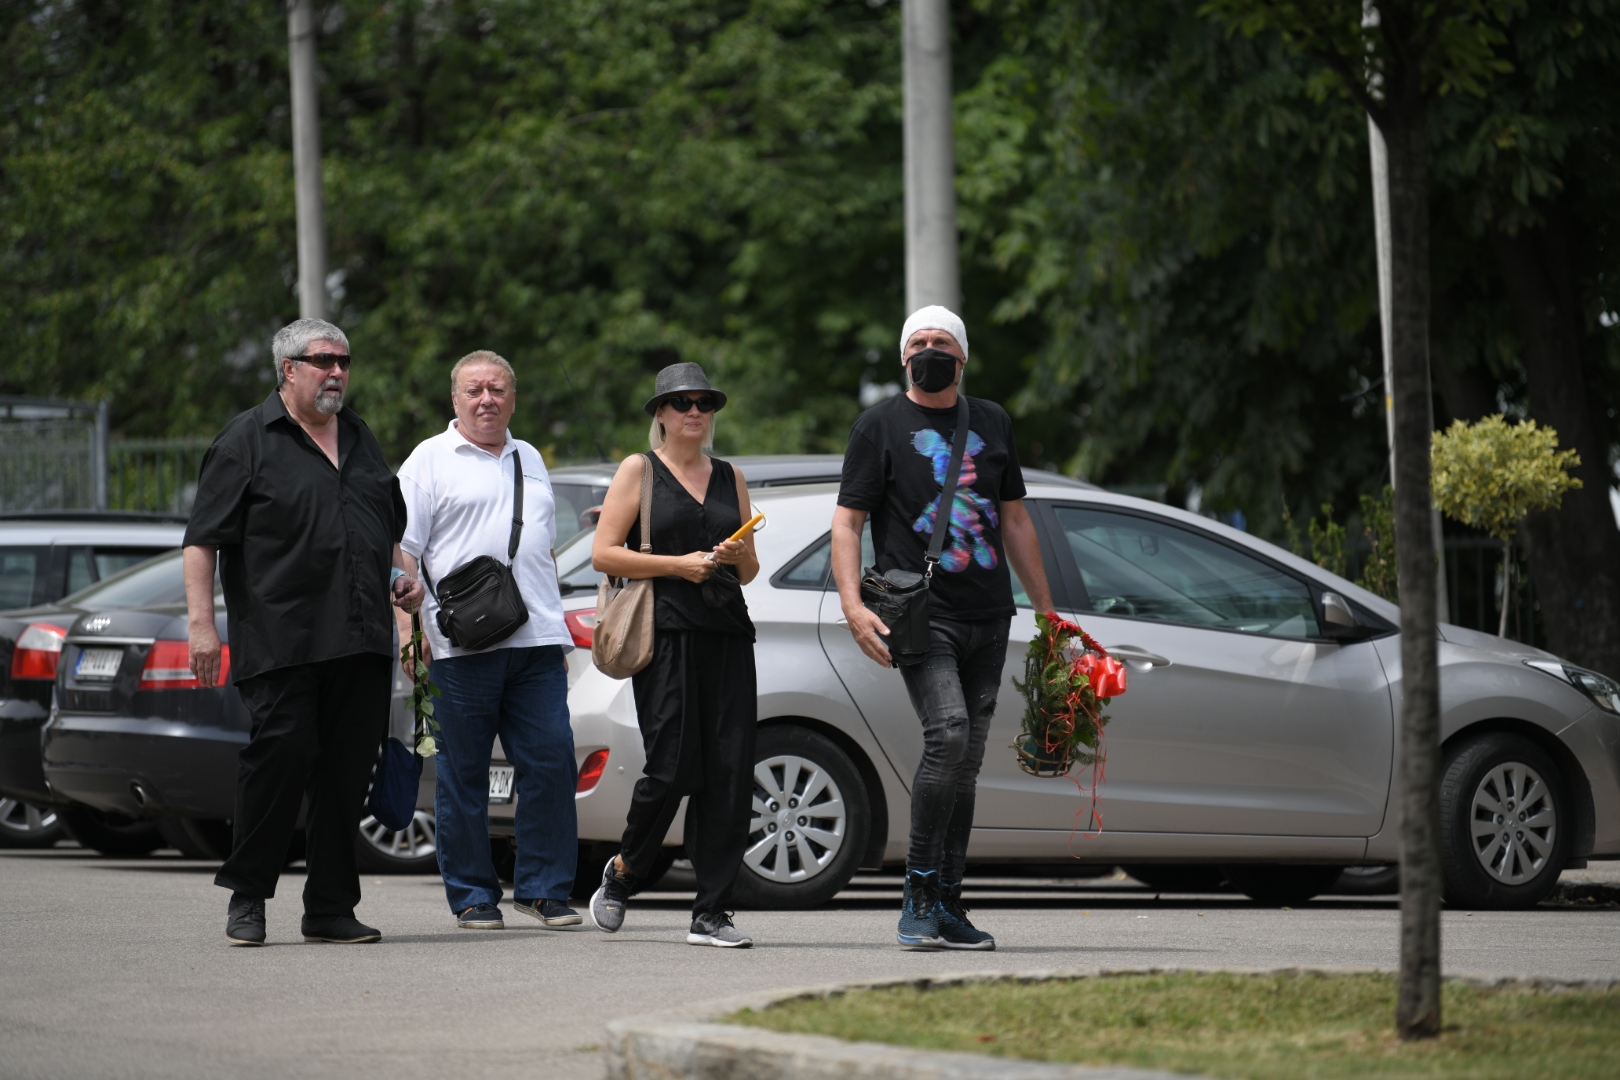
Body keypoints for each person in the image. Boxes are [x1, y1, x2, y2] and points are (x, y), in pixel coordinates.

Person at [185, 318, 424, 947]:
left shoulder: (362, 438)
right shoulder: (245, 441)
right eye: (323, 361)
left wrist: (404, 578)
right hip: (283, 638)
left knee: (346, 775)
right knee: (281, 757)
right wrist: (202, 627)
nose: (338, 372)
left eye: (344, 360)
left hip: (361, 637)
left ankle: (329, 908)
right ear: (288, 369)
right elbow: (203, 539)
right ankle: (248, 896)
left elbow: (388, 527)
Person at [831, 306, 1056, 951]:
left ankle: (950, 903)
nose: (931, 350)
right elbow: (847, 524)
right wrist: (853, 607)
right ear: (905, 357)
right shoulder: (878, 425)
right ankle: (918, 895)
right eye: (920, 342)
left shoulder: (990, 421)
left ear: (963, 357)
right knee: (948, 735)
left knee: (965, 764)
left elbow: (1014, 520)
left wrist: (1047, 612)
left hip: (990, 614)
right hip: (921, 615)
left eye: (943, 342)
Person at [394, 350, 581, 931]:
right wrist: (408, 631)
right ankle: (474, 895)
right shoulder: (428, 460)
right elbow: (402, 552)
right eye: (474, 390)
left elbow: (538, 543)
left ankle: (544, 890)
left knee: (551, 764)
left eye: (497, 389)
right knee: (463, 775)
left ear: (512, 398)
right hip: (459, 646)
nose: (486, 399)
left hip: (538, 642)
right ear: (455, 399)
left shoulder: (530, 457)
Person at [587, 362, 759, 948]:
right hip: (665, 634)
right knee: (672, 767)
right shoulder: (641, 469)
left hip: (728, 632)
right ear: (660, 413)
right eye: (682, 402)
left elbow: (752, 569)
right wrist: (677, 566)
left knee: (731, 774)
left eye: (705, 403)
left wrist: (735, 553)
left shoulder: (731, 474)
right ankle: (625, 872)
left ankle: (711, 911)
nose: (695, 412)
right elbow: (604, 554)